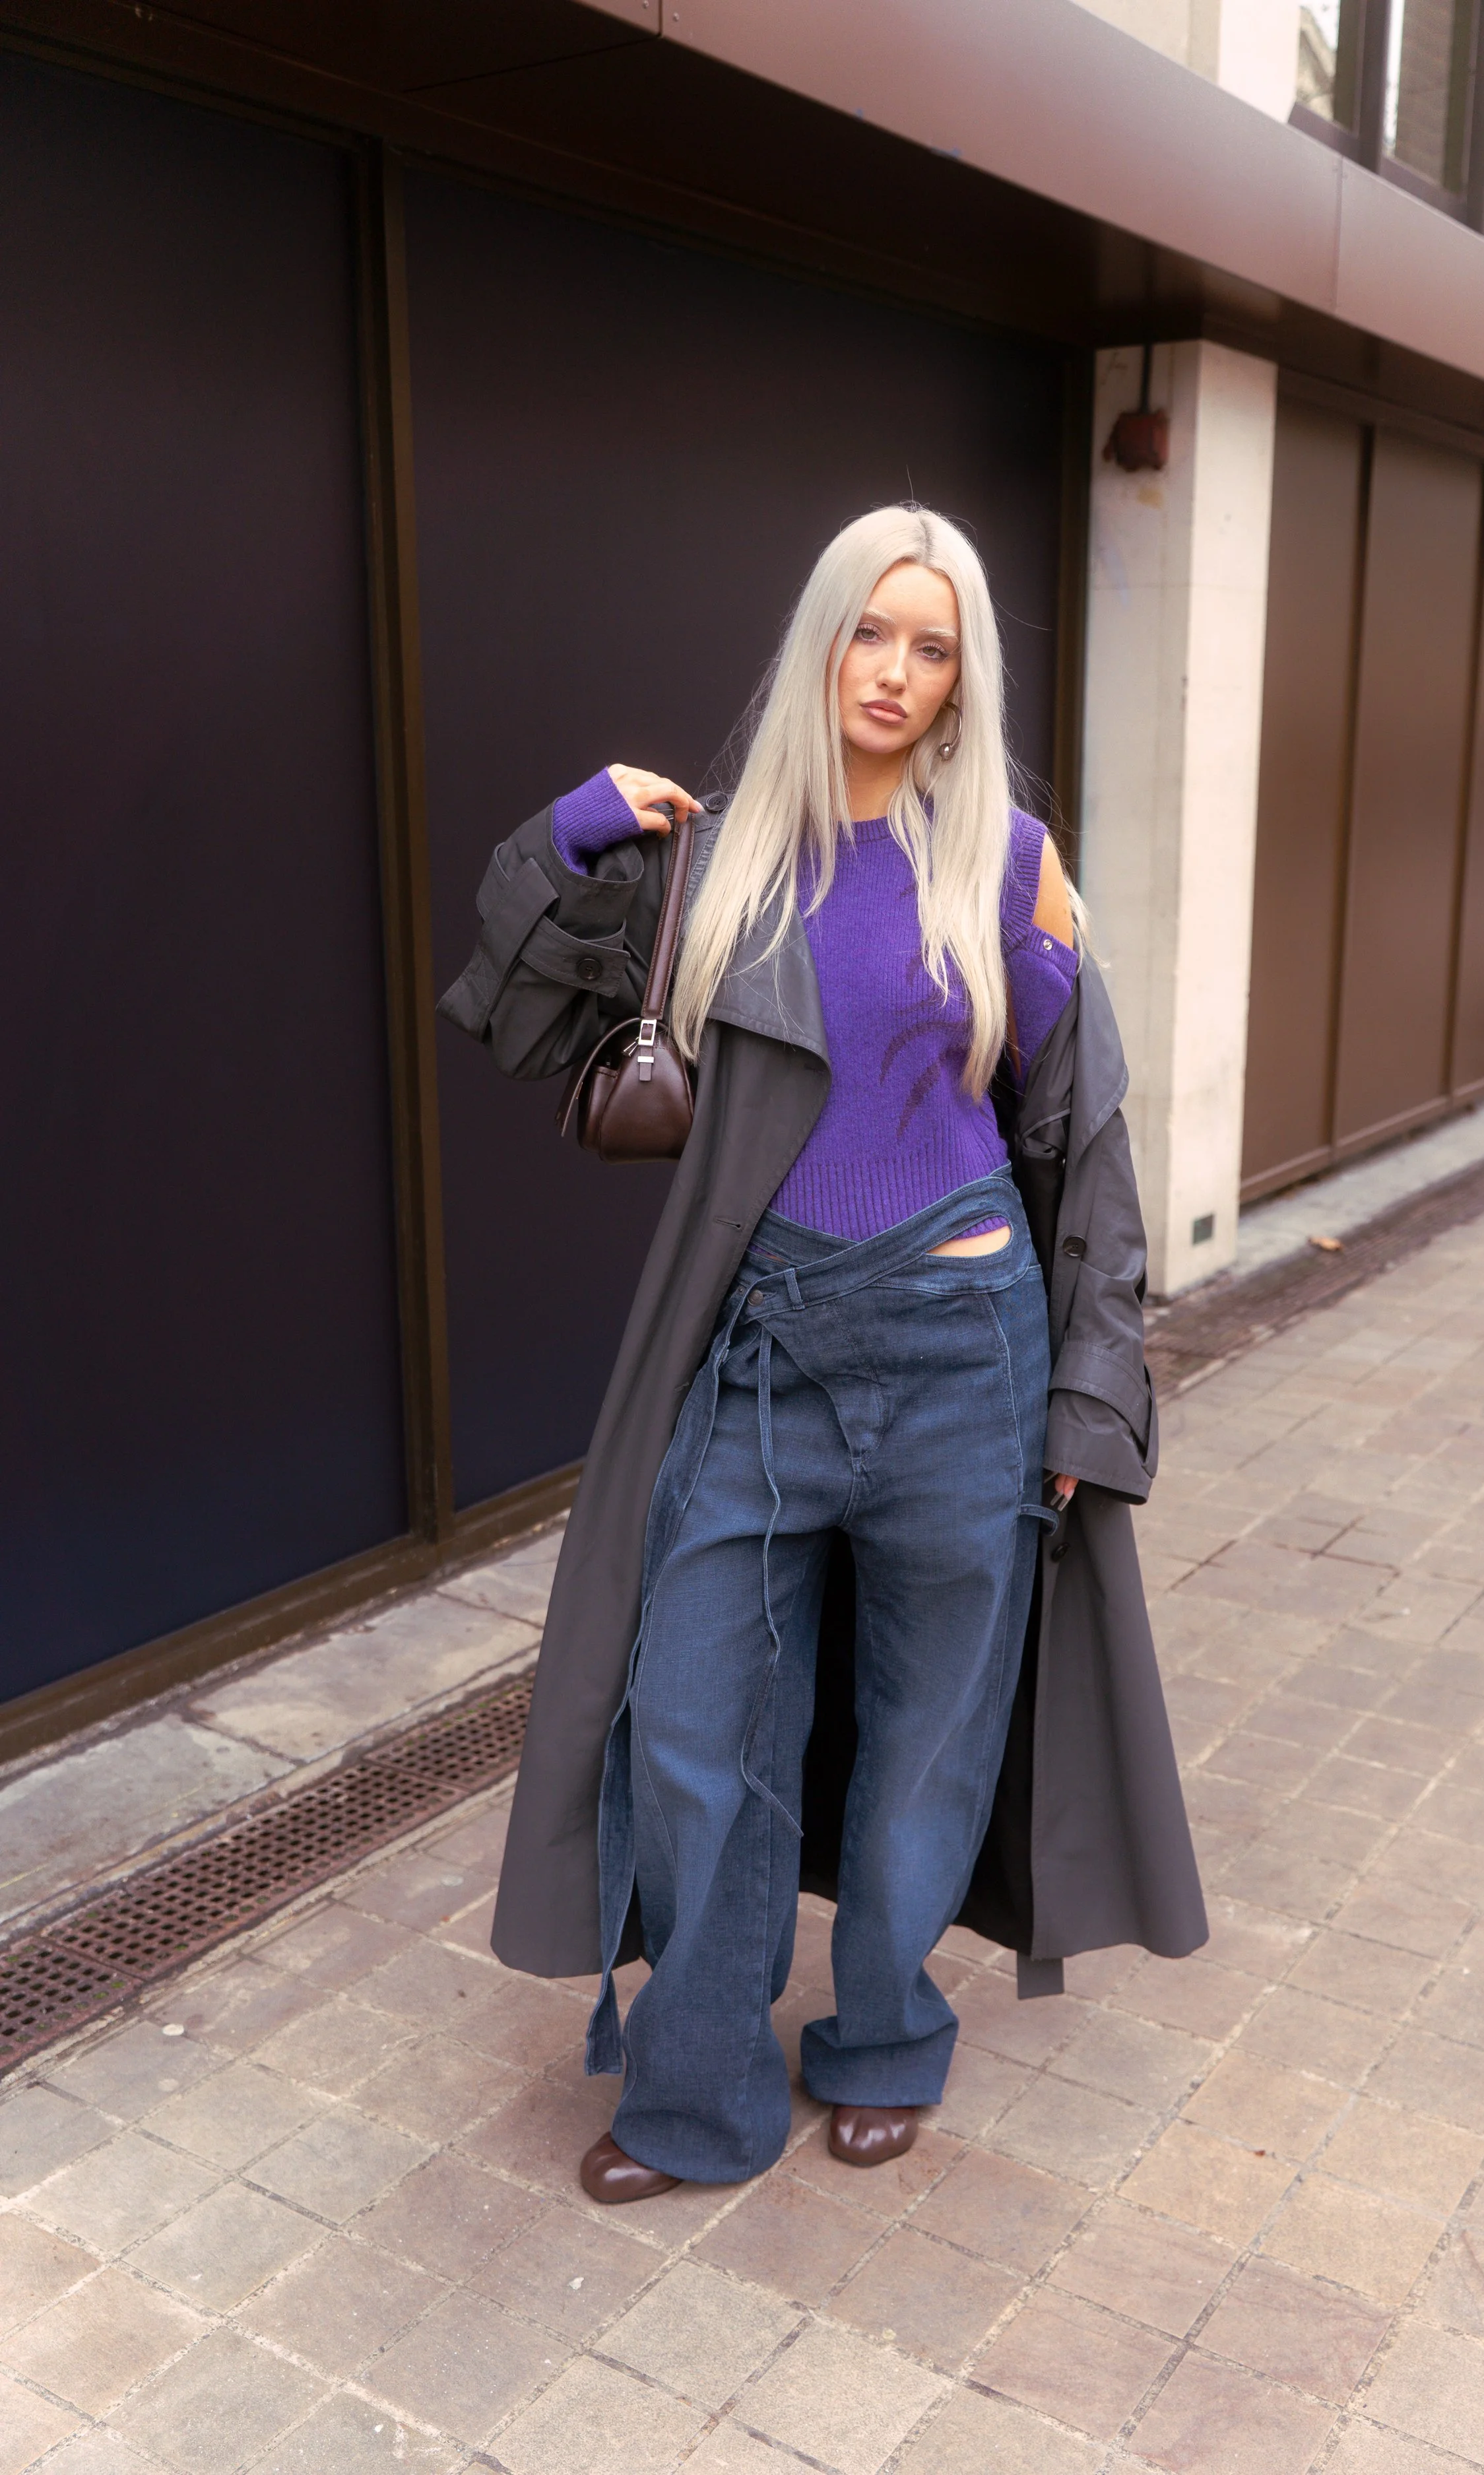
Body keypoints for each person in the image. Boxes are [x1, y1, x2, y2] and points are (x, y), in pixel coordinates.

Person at [439, 505, 1206, 2204]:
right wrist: (572, 830)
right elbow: (510, 1012)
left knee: (929, 1732)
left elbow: (1086, 1136)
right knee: (698, 1728)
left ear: (958, 679)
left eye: (933, 648)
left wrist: (1092, 1386)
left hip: (963, 1354)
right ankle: (695, 2096)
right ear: (822, 639)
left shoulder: (1002, 861)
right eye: (874, 631)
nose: (898, 672)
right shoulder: (712, 863)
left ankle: (878, 2039)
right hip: (764, 1357)